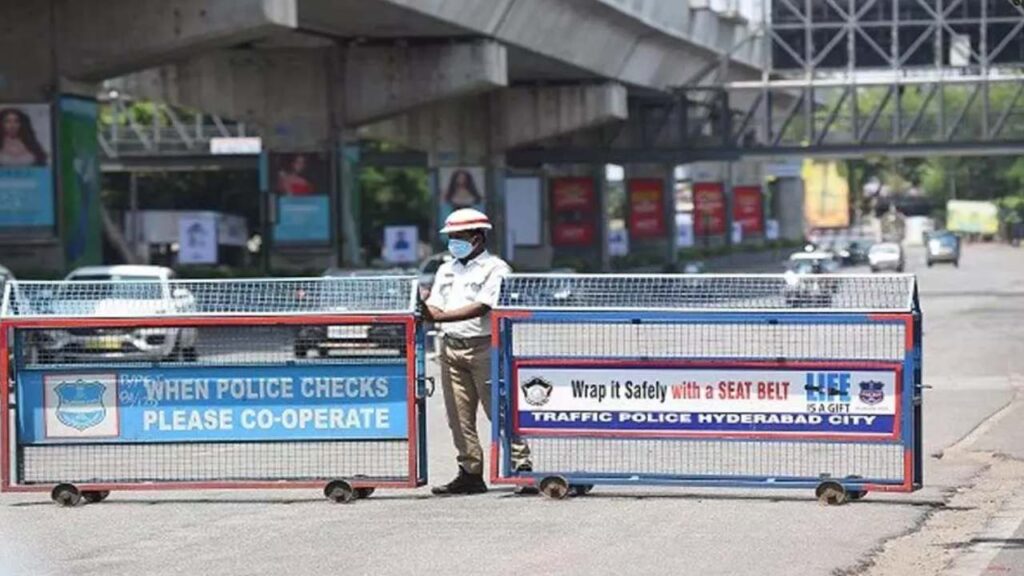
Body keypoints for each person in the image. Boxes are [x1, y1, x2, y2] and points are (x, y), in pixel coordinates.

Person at [423, 208, 535, 496]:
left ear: (477, 238)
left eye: (458, 237)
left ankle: (521, 467)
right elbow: (435, 305)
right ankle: (470, 472)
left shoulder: (496, 269)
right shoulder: (446, 269)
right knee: (458, 417)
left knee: (498, 410)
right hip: (450, 348)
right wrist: (424, 308)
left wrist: (438, 318)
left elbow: (483, 306)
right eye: (450, 237)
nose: (453, 243)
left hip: (485, 347)